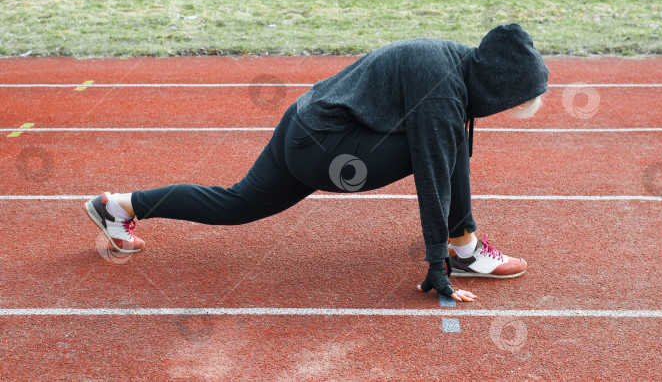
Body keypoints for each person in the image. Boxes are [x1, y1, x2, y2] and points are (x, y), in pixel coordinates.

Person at [84, 23, 549, 302]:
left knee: (236, 203)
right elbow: (433, 173)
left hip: (304, 126)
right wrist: (435, 264)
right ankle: (463, 251)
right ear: (498, 85)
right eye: (511, 102)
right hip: (327, 152)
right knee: (439, 146)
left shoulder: (452, 61)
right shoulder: (443, 89)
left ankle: (119, 206)